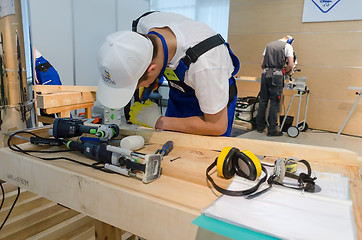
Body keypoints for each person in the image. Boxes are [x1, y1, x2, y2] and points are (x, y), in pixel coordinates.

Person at [96, 11, 240, 136]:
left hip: (212, 106)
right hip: (180, 94)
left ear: (151, 69)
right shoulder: (143, 24)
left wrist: (158, 121)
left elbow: (217, 126)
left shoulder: (207, 65)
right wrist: (153, 80)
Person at [255, 36, 294, 136]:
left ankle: (259, 127)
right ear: (289, 40)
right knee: (274, 102)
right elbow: (290, 65)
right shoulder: (287, 46)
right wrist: (285, 71)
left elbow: (262, 64)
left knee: (263, 100)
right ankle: (272, 129)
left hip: (265, 74)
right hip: (277, 75)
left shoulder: (268, 45)